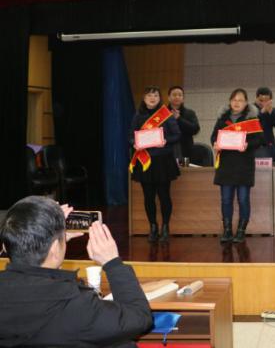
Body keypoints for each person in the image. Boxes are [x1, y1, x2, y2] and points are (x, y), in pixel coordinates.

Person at [0, 196, 153, 347]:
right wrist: (112, 263)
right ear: (54, 249)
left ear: (6, 246)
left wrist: (52, 245)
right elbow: (140, 317)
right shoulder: (77, 305)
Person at [211, 88, 265, 243]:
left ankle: (241, 231)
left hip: (244, 165)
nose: (237, 103)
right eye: (234, 100)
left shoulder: (252, 120)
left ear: (246, 103)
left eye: (240, 100)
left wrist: (248, 145)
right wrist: (215, 143)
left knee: (243, 199)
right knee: (226, 199)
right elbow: (213, 137)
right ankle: (227, 230)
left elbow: (260, 140)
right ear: (230, 101)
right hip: (226, 165)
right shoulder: (222, 119)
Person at [130, 86, 181, 243]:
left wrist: (165, 140)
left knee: (164, 195)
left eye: (156, 95)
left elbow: (177, 135)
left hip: (163, 161)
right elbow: (130, 136)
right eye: (149, 95)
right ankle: (153, 226)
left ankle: (165, 227)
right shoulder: (138, 116)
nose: (152, 98)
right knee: (148, 196)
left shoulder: (166, 115)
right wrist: (134, 143)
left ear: (160, 98)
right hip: (145, 161)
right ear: (144, 99)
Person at [167, 85, 200, 162]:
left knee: (185, 169)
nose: (177, 97)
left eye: (180, 95)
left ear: (183, 98)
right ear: (169, 97)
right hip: (167, 150)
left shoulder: (190, 113)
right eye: (174, 95)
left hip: (185, 150)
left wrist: (179, 119)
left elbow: (195, 129)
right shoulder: (162, 113)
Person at [253, 87, 275, 163]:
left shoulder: (273, 110)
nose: (263, 103)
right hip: (255, 145)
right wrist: (261, 113)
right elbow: (253, 125)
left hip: (269, 143)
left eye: (266, 101)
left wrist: (271, 113)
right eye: (261, 100)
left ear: (270, 100)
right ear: (256, 99)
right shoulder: (250, 110)